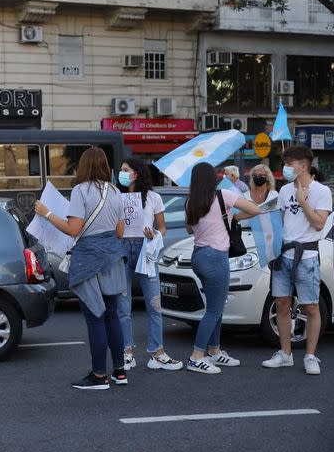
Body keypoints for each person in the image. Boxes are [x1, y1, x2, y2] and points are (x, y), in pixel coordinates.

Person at [34, 147, 128, 390]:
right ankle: (119, 372)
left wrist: (47, 213)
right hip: (113, 259)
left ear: (83, 166)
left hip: (88, 260)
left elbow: (73, 230)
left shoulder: (80, 191)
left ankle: (98, 376)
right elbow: (120, 232)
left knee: (95, 318)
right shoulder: (116, 191)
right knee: (111, 315)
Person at [185, 162, 261, 374]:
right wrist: (233, 216)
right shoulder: (223, 195)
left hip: (198, 256)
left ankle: (215, 351)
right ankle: (196, 356)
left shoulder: (191, 201)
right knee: (214, 310)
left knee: (215, 307)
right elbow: (255, 210)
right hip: (216, 258)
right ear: (213, 178)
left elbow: (190, 229)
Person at [262, 146, 332, 375]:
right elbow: (280, 223)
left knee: (310, 306)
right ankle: (285, 354)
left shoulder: (322, 191)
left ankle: (311, 356)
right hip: (284, 254)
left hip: (307, 257)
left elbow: (319, 224)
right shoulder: (283, 191)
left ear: (303, 165)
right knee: (281, 303)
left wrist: (303, 201)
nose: (286, 168)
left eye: (290, 163)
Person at [116, 158, 182, 371]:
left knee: (154, 304)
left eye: (126, 170)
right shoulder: (117, 197)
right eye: (121, 170)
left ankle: (157, 352)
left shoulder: (153, 197)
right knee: (123, 306)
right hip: (122, 248)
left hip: (146, 249)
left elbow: (162, 228)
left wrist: (154, 233)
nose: (121, 173)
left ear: (137, 173)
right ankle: (127, 351)